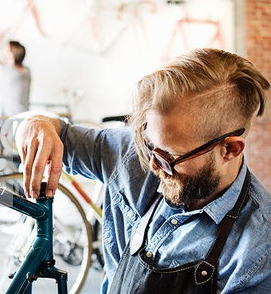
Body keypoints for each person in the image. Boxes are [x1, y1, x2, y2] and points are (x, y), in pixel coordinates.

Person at [15, 48, 270, 293]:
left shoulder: (258, 248)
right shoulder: (132, 154)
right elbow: (55, 133)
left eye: (170, 156)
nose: (153, 165)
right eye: (150, 145)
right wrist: (36, 125)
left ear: (230, 149)